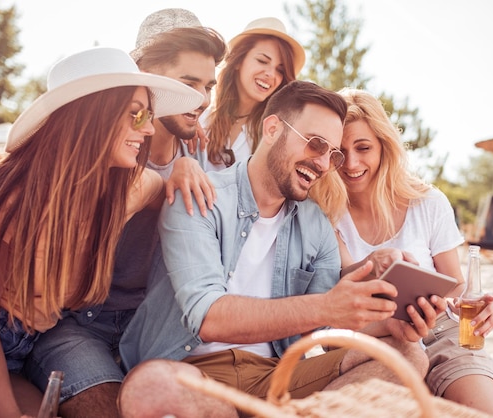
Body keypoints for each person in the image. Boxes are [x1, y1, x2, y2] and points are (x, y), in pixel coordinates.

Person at [118, 80, 440, 418]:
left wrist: (388, 326)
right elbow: (207, 316)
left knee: (408, 354)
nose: (324, 164)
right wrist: (327, 307)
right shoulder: (201, 195)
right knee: (151, 384)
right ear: (272, 128)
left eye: (333, 154)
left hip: (276, 374)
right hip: (193, 369)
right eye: (315, 144)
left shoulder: (315, 222)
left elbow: (327, 331)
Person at [0, 46, 203, 417]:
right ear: (93, 115)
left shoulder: (127, 192)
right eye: (137, 115)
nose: (150, 128)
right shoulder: (12, 198)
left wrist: (184, 167)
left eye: (150, 116)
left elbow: (161, 192)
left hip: (24, 349)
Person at [23, 9, 229, 418]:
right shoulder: (99, 153)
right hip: (75, 323)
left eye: (208, 86)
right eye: (188, 84)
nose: (202, 100)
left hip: (151, 329)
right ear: (143, 77)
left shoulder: (202, 157)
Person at [310, 88, 493, 417]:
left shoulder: (428, 203)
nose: (351, 163)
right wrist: (374, 262)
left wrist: (480, 307)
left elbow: (455, 287)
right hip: (375, 338)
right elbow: (346, 279)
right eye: (340, 151)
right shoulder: (324, 214)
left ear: (383, 147)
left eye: (363, 148)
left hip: (438, 329)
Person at [203, 17, 305, 171]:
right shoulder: (202, 117)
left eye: (280, 70)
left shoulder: (276, 133)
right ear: (238, 60)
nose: (271, 74)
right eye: (262, 61)